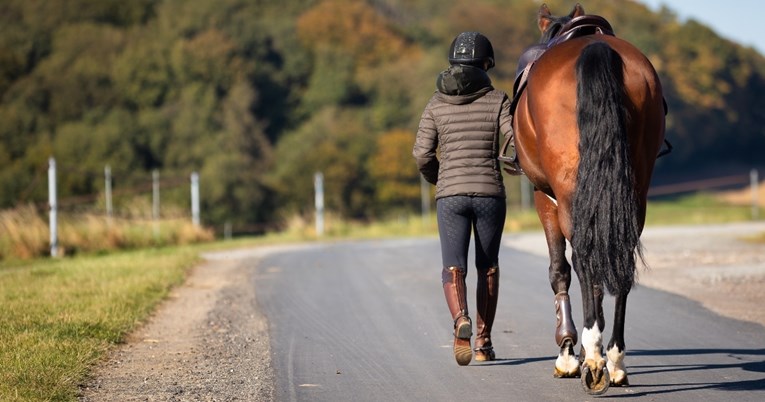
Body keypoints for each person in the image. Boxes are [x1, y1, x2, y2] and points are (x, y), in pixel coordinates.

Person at [413, 31, 518, 366]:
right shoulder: (499, 99)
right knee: (488, 268)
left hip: (450, 196)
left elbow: (421, 155)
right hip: (490, 193)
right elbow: (515, 141)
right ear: (485, 64)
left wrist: (439, 178)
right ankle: (484, 345)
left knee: (452, 266)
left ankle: (461, 320)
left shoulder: (435, 103)